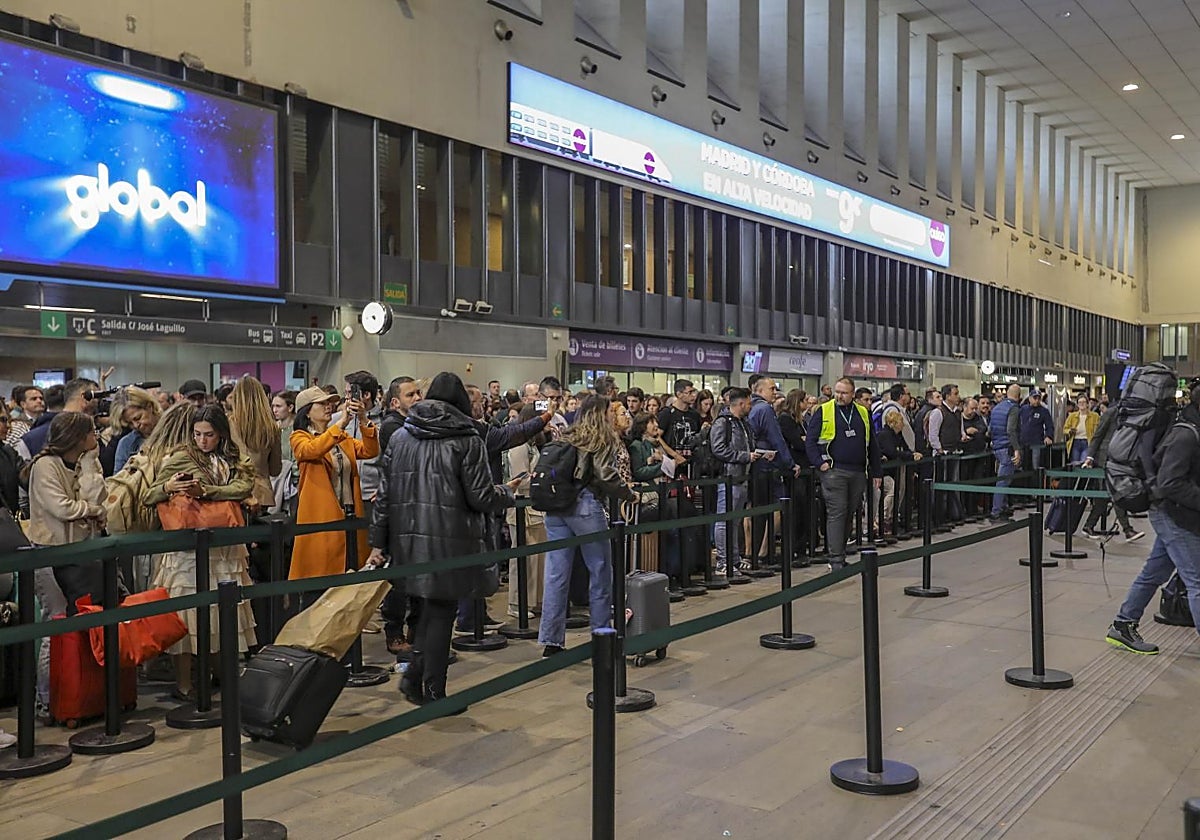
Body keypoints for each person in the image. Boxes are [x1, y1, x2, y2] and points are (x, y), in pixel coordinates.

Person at [367, 372, 514, 709]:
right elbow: (480, 497)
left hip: (408, 542)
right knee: (440, 614)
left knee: (426, 612)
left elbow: (385, 495)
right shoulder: (468, 439)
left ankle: (417, 679)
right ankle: (431, 690)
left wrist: (378, 543)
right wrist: (507, 492)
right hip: (451, 544)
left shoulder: (402, 436)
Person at [144, 405, 257, 700]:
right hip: (188, 551)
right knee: (187, 613)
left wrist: (206, 491)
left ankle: (220, 672)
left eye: (209, 435)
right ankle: (185, 682)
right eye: (197, 434)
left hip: (225, 547)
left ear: (220, 434)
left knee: (223, 611)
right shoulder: (181, 457)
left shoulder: (231, 457)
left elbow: (244, 486)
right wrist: (170, 486)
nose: (202, 440)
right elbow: (150, 495)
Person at [23, 412, 107, 717]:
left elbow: (99, 494)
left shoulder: (87, 462)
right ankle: (47, 700)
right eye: (92, 431)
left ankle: (82, 695)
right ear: (76, 435)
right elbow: (60, 507)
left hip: (80, 552)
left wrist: (87, 467)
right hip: (48, 552)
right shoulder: (45, 466)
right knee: (55, 622)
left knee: (84, 621)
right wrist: (92, 510)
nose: (96, 436)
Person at [1106, 383, 1200, 655]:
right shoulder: (1186, 435)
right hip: (1172, 514)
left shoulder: (1190, 429)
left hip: (1178, 514)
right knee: (1197, 581)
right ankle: (1123, 624)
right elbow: (1171, 483)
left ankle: (1123, 625)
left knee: (1154, 572)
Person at [538, 395, 634, 657]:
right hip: (584, 507)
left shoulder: (567, 434)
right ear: (602, 414)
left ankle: (551, 640)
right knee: (600, 570)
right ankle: (602, 635)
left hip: (556, 508)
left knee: (556, 574)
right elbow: (605, 475)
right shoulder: (601, 438)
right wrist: (627, 493)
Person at [288, 386, 379, 594]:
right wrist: (341, 424)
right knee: (320, 578)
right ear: (307, 411)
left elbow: (370, 450)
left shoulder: (342, 437)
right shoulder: (300, 437)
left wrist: (363, 419)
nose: (328, 406)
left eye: (330, 402)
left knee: (349, 575)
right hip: (320, 519)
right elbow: (312, 450)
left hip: (350, 515)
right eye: (322, 403)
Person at [805, 377, 882, 570]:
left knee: (850, 513)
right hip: (834, 471)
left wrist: (877, 471)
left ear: (853, 394)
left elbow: (872, 443)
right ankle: (836, 559)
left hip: (857, 471)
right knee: (837, 513)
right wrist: (820, 463)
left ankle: (840, 553)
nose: (839, 395)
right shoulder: (824, 410)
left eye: (844, 392)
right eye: (837, 391)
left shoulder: (863, 412)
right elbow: (810, 442)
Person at [710, 388, 761, 576]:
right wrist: (744, 456)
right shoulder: (723, 423)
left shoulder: (743, 424)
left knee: (735, 521)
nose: (750, 406)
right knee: (724, 521)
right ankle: (723, 561)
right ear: (740, 403)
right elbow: (718, 449)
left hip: (742, 477)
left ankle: (734, 558)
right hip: (728, 478)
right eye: (749, 403)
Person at [505, 404, 548, 620]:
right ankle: (517, 602)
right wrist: (540, 479)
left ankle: (534, 600)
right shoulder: (519, 446)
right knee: (523, 560)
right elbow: (519, 479)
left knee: (537, 560)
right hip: (522, 509)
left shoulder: (532, 443)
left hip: (536, 508)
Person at [1081, 402, 1143, 542]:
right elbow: (1098, 435)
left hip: (1119, 460)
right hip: (1105, 460)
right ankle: (1127, 530)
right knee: (1116, 493)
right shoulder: (1111, 413)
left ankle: (1088, 526)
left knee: (1104, 497)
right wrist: (1090, 456)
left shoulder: (1132, 415)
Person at [877, 410, 922, 536]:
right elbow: (892, 452)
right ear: (895, 423)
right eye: (901, 422)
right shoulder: (885, 435)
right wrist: (910, 455)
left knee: (898, 492)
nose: (903, 424)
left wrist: (912, 454)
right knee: (892, 490)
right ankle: (882, 517)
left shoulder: (898, 435)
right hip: (884, 472)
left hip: (895, 471)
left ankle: (889, 518)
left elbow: (904, 449)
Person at [988, 384, 1022, 521]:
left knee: (1003, 479)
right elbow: (1011, 430)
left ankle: (1003, 507)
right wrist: (1017, 449)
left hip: (997, 446)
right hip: (1007, 447)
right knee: (1003, 481)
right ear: (1019, 396)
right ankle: (996, 512)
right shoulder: (1013, 408)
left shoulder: (997, 407)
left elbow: (990, 429)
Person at [113, 386, 162, 473]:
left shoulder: (174, 431)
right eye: (130, 423)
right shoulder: (126, 444)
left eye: (138, 418)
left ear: (149, 407)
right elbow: (118, 483)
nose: (135, 426)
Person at [1019, 389, 1055, 470]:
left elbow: (1049, 426)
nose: (1037, 400)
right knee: (1023, 466)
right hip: (1023, 442)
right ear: (1030, 398)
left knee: (1036, 466)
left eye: (1039, 398)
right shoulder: (1023, 409)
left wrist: (1048, 436)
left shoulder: (1044, 411)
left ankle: (1037, 482)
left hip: (1036, 443)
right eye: (1035, 398)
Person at [1064, 395, 1097, 464]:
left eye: (1084, 402)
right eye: (1080, 402)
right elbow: (1065, 429)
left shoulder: (1095, 416)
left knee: (1084, 463)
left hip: (1087, 442)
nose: (1082, 404)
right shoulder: (1072, 416)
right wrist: (1070, 431)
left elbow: (1098, 430)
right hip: (1075, 442)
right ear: (1077, 404)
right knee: (1074, 463)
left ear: (1087, 404)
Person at [0, 415, 20, 515]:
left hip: (7, 525)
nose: (8, 426)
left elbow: (27, 477)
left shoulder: (9, 453)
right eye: (2, 420)